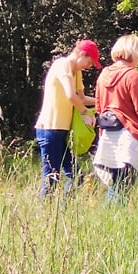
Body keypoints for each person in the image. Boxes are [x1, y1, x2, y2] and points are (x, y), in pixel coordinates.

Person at [92, 34, 138, 202]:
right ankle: (110, 218)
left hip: (107, 135)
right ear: (135, 52)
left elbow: (99, 107)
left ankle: (107, 218)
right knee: (124, 183)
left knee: (115, 181)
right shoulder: (132, 75)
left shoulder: (104, 73)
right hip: (128, 134)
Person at [34, 39, 99, 196]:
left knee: (76, 176)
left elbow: (81, 98)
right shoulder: (62, 64)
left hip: (62, 130)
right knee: (51, 177)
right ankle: (46, 213)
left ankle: (64, 209)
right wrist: (84, 113)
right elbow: (71, 95)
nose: (89, 67)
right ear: (81, 54)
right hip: (49, 128)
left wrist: (102, 103)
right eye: (89, 62)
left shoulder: (77, 72)